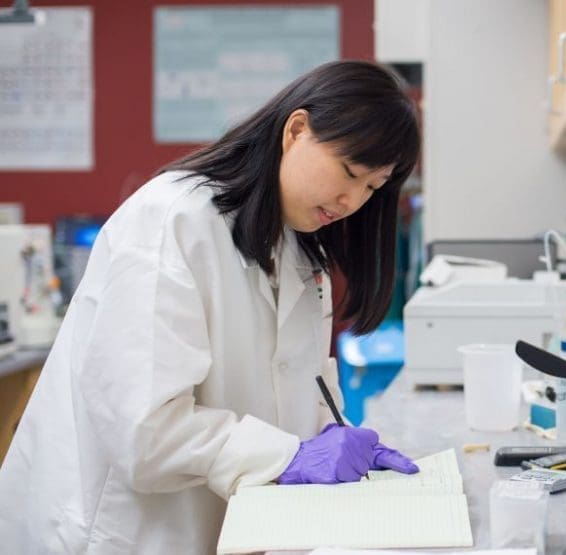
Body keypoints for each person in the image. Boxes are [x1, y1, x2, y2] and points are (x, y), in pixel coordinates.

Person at [0, 60, 422, 553]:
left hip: (225, 528)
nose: (352, 200)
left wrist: (337, 441)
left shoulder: (300, 251)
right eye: (349, 172)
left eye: (372, 188)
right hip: (120, 533)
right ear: (297, 129)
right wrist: (290, 456)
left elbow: (298, 392)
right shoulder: (171, 223)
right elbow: (146, 433)